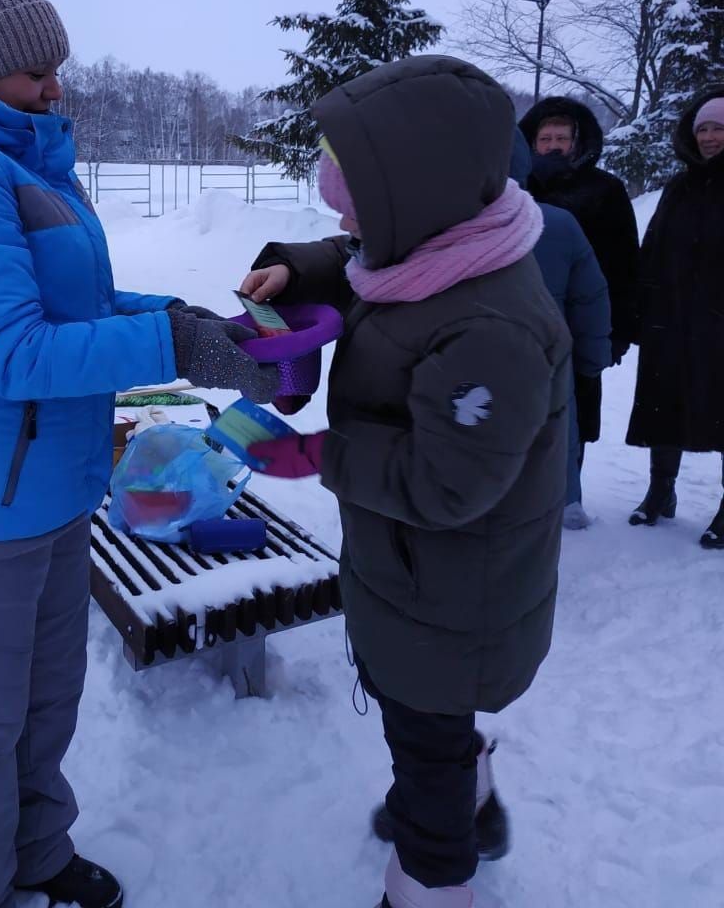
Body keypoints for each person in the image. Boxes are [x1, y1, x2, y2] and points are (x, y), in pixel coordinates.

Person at [0, 0, 277, 908]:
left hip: (52, 492)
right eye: (32, 71)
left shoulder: (24, 159)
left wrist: (192, 323)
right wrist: (169, 343)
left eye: (57, 64)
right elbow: (13, 351)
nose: (55, 86)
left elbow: (80, 301)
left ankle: (36, 854)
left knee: (46, 706)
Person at [240, 56, 571, 908]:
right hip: (415, 582)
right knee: (420, 724)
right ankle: (472, 798)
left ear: (413, 187)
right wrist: (295, 271)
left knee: (426, 745)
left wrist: (319, 457)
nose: (340, 207)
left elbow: (449, 485)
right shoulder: (437, 249)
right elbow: (359, 259)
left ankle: (433, 881)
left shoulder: (489, 324)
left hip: (456, 598)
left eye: (352, 185)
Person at [518, 96, 639, 519]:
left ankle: (568, 495)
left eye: (561, 138)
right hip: (524, 320)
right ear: (530, 143)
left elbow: (625, 265)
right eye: (544, 137)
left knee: (578, 409)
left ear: (577, 141)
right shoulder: (516, 188)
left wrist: (617, 331)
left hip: (584, 319)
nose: (552, 145)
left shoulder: (604, 190)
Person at [626, 88, 724, 549]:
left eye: (718, 128)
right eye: (702, 128)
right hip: (674, 319)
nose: (708, 137)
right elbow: (653, 248)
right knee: (665, 405)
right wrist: (641, 309)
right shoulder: (678, 188)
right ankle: (660, 490)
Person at [509, 130, 612, 529]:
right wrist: (591, 362)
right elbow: (591, 300)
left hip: (466, 357)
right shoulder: (558, 223)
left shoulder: (442, 224)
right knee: (555, 429)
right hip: (549, 354)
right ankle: (565, 501)